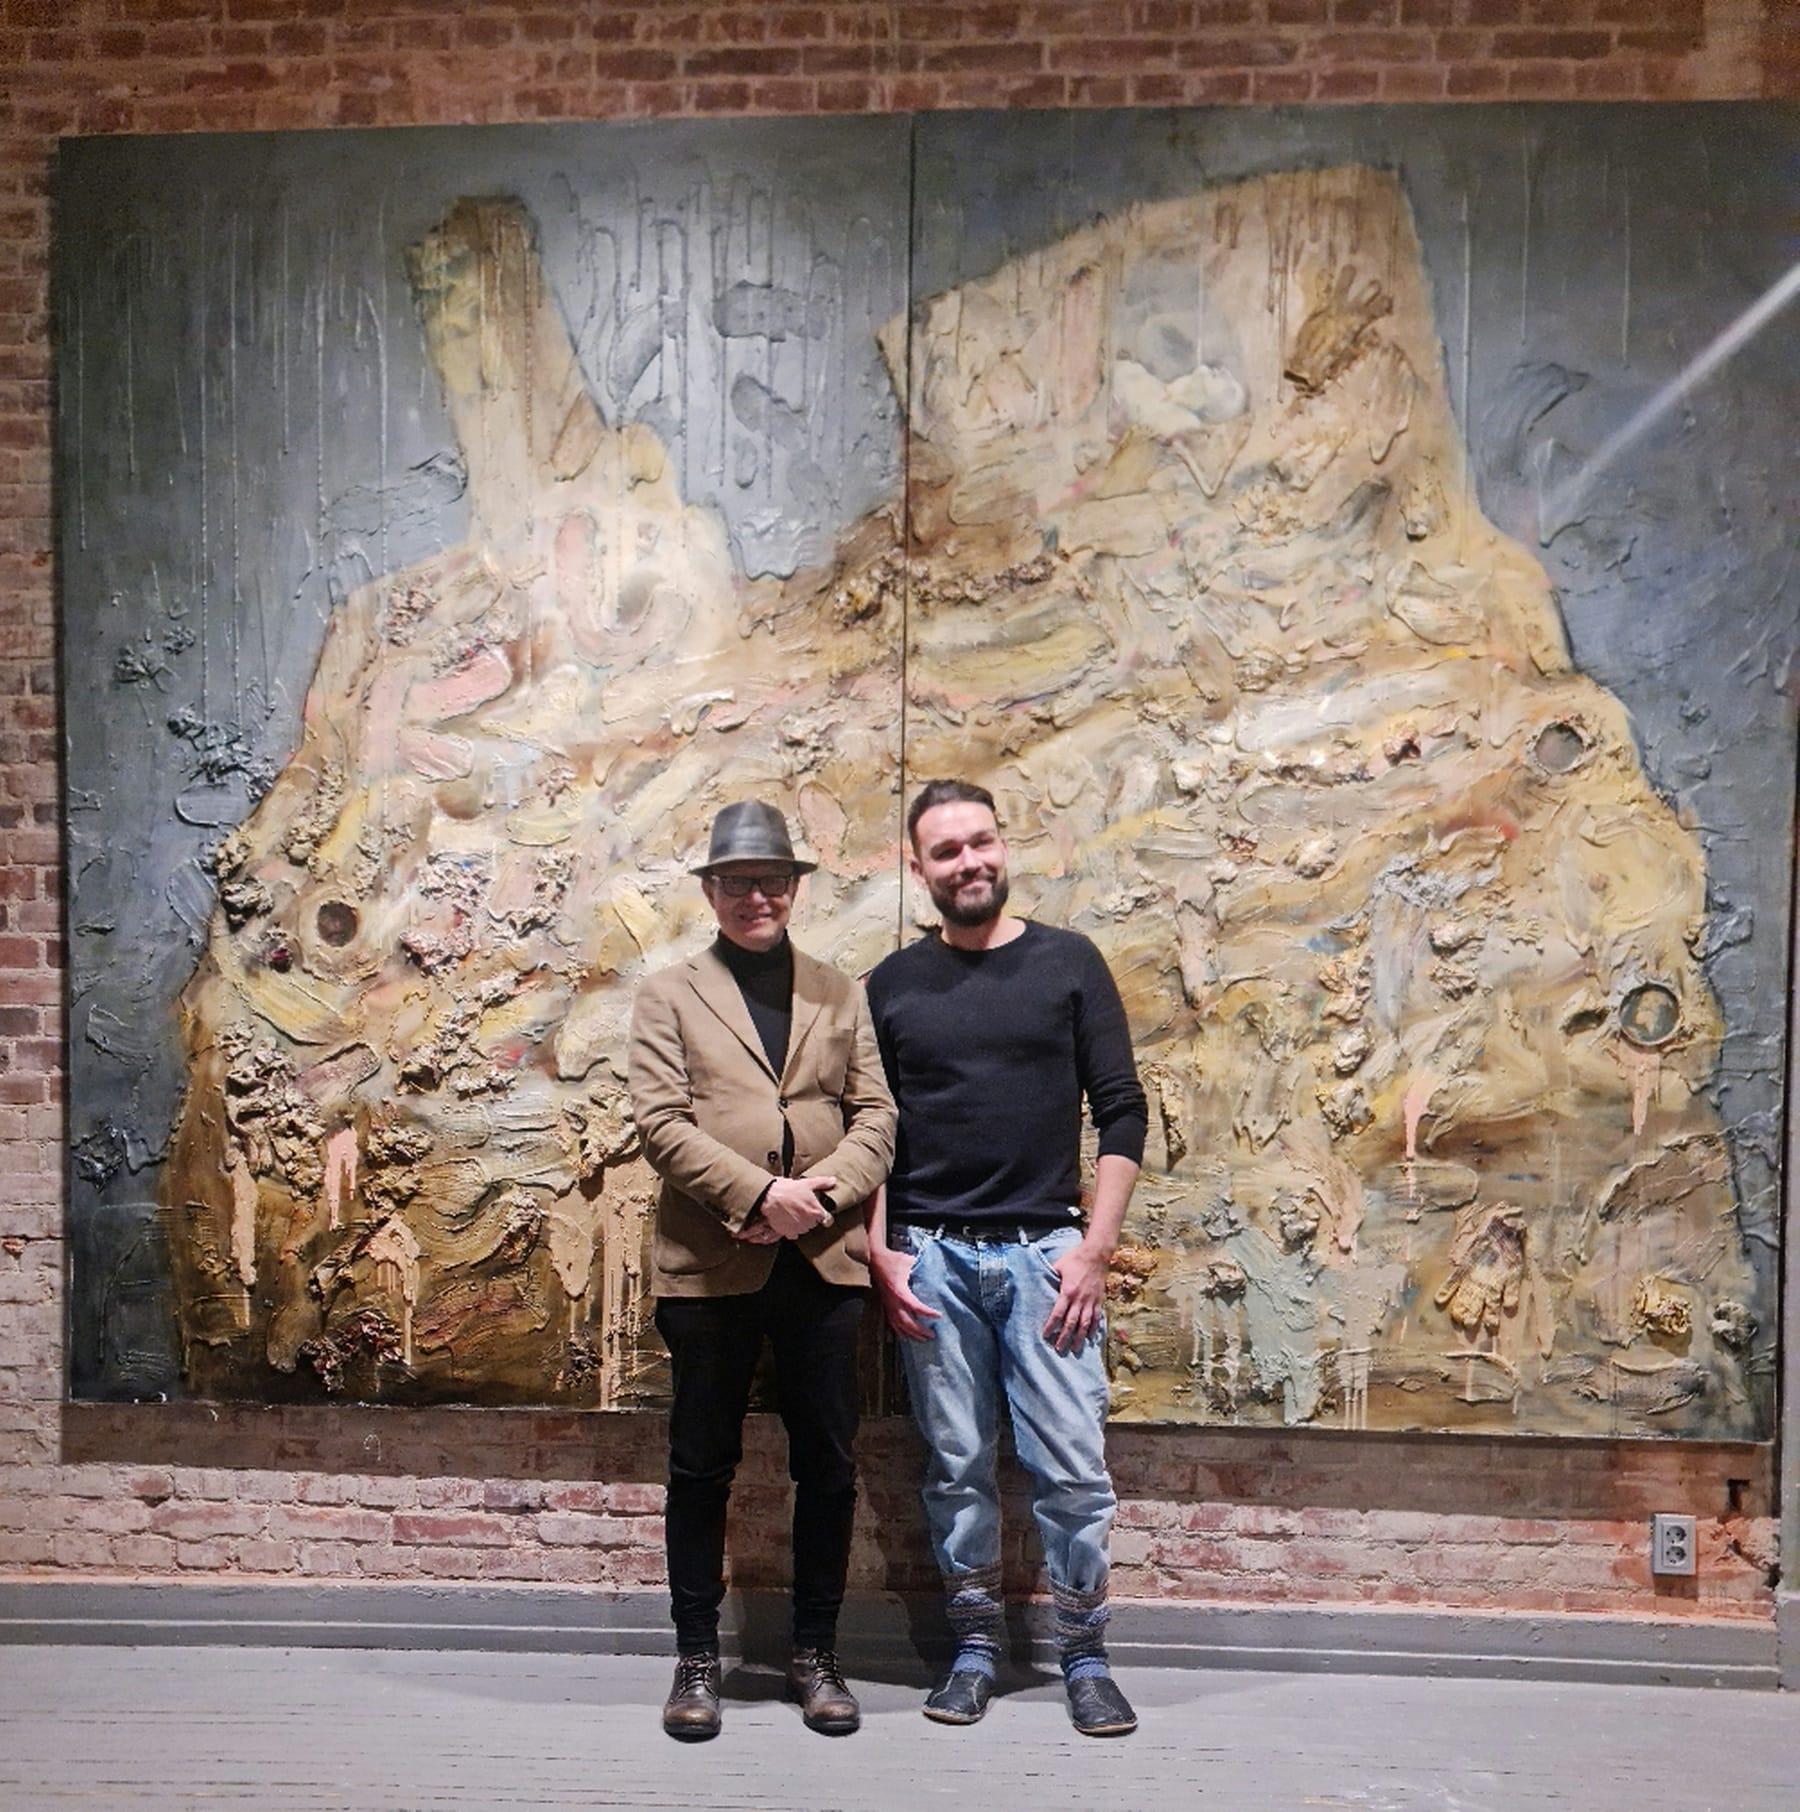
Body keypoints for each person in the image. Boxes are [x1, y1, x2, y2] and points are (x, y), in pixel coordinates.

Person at [865, 778, 1149, 1738]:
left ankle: (1085, 1658)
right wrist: (880, 1250)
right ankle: (975, 1651)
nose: (969, 862)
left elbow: (1122, 1110)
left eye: (980, 842)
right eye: (946, 851)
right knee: (955, 1466)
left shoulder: (1069, 963)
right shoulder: (892, 985)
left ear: (1003, 845)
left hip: (1047, 1262)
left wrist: (1096, 1250)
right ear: (919, 869)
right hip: (931, 1262)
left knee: (1071, 1468)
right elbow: (871, 1129)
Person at [628, 801, 896, 1742]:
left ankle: (816, 1655)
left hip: (822, 1263)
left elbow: (877, 1116)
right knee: (701, 1466)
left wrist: (819, 1197)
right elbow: (660, 1124)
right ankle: (697, 1658)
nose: (757, 897)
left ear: (794, 889)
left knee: (828, 1465)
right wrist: (755, 1195)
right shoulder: (668, 993)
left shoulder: (839, 990)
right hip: (712, 1265)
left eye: (772, 881)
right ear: (711, 890)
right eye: (738, 882)